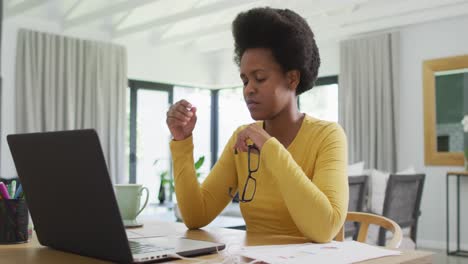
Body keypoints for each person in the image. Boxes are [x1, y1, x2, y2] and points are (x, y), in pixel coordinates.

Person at [166, 7, 348, 243]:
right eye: (244, 80)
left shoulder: (327, 136)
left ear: (292, 78)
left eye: (260, 78)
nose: (249, 89)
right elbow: (195, 216)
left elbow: (325, 229)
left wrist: (269, 146)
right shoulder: (242, 139)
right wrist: (181, 141)